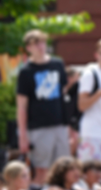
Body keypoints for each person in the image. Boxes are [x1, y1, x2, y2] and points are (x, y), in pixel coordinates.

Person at [17, 30, 71, 183]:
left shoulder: (57, 64)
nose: (40, 46)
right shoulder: (26, 71)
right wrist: (22, 135)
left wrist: (69, 126)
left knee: (63, 168)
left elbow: (63, 96)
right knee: (41, 170)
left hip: (60, 125)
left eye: (42, 42)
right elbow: (21, 106)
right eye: (35, 43)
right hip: (38, 127)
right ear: (28, 48)